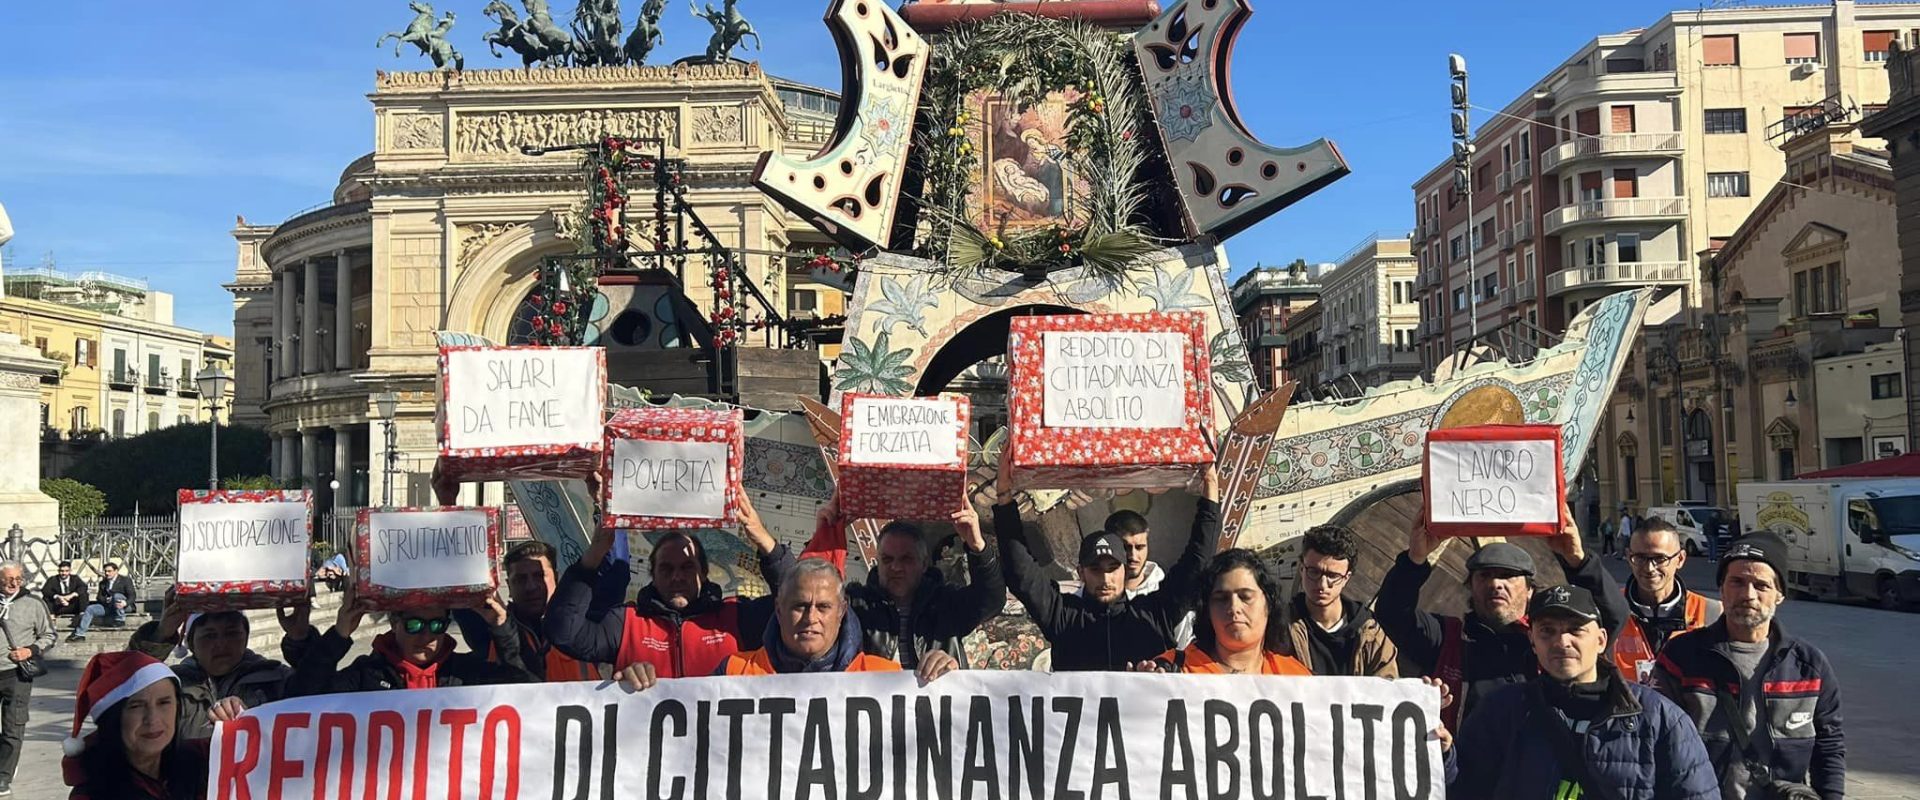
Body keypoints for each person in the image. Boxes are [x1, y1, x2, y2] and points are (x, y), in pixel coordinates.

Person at [1448, 584, 1718, 799]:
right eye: (1547, 631)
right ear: (1532, 641)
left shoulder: (1660, 718)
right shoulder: (1501, 711)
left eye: (1575, 630)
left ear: (1601, 640)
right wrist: (1444, 755)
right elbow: (1460, 787)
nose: (1561, 642)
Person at [1374, 499, 1627, 729]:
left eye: (1507, 576)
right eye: (1485, 576)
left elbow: (1612, 616)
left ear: (1530, 590)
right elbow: (1392, 613)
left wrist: (1577, 561)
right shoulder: (1447, 639)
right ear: (1470, 586)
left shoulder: (1548, 641)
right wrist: (1415, 559)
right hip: (1465, 773)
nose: (1496, 584)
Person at [1653, 533, 1844, 799]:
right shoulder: (1682, 656)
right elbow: (1655, 739)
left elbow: (1829, 745)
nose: (1748, 595)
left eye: (1761, 585)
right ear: (1721, 589)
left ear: (1779, 595)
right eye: (1737, 582)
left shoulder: (1809, 666)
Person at [996, 466, 1219, 671]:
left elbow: (1197, 562)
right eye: (1096, 569)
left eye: (1113, 568)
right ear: (1081, 573)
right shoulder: (1062, 615)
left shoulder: (1153, 614)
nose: (1105, 578)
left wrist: (1210, 484)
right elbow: (1022, 573)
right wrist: (1004, 498)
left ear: (1124, 570)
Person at [545, 493, 792, 678]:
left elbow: (795, 603)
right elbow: (564, 634)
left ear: (704, 573)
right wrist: (594, 554)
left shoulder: (736, 616)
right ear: (652, 573)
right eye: (666, 568)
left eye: (687, 567)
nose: (677, 577)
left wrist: (763, 539)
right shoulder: (627, 623)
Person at [796, 498, 1003, 669]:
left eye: (906, 559)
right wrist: (825, 537)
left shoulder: (945, 604)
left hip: (935, 711)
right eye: (887, 559)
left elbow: (991, 600)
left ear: (924, 564)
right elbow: (803, 598)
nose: (896, 567)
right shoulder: (856, 606)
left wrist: (978, 547)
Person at [61, 651, 247, 800]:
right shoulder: (92, 793)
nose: (153, 719)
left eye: (164, 702)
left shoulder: (199, 757)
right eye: (136, 706)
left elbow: (254, 754)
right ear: (113, 718)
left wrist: (241, 718)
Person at [284, 585, 533, 694]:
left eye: (437, 625)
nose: (427, 635)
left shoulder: (467, 674)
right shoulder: (366, 676)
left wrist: (501, 628)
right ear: (394, 623)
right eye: (414, 625)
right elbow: (301, 697)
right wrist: (339, 635)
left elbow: (527, 691)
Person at [125, 599, 298, 740]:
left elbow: (317, 697)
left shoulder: (277, 679)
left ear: (245, 637)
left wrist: (301, 640)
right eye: (209, 635)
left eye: (231, 633)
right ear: (191, 643)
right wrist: (160, 634)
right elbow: (121, 693)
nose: (221, 644)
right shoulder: (172, 685)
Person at [1131, 549, 1310, 675]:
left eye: (1245, 596)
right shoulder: (1170, 671)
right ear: (1206, 609)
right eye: (1221, 598)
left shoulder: (1296, 679)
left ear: (1268, 604)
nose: (1233, 608)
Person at [453, 541, 599, 682]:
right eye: (521, 579)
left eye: (539, 576)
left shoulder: (586, 622)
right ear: (509, 586)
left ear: (556, 577)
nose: (531, 587)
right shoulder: (489, 630)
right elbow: (455, 583)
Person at [1615, 517, 1721, 684]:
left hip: (1686, 709)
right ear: (1629, 557)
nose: (1649, 568)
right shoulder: (1610, 607)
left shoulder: (1712, 612)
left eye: (1659, 559)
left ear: (1680, 559)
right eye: (1640, 558)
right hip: (1628, 708)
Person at [1286, 525, 1397, 677]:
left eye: (1333, 576)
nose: (1322, 584)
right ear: (1301, 569)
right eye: (1314, 572)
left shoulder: (1371, 636)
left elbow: (1391, 692)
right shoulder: (1280, 626)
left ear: (1346, 578)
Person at [1101, 508, 1195, 649]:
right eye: (1126, 547)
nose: (1133, 556)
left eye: (1139, 547)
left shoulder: (1167, 596)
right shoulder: (1094, 592)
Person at [0, 562, 54, 798]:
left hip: (16, 675)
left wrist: (30, 650)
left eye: (17, 579)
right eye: (6, 579)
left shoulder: (34, 604)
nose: (12, 584)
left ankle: (3, 776)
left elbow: (50, 635)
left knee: (13, 726)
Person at [69, 562, 135, 642]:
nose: (107, 573)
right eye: (105, 571)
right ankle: (80, 634)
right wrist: (106, 600)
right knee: (90, 608)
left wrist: (125, 603)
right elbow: (99, 598)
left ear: (116, 571)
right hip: (108, 606)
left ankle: (120, 619)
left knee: (116, 596)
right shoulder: (103, 583)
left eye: (109, 571)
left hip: (124, 606)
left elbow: (132, 595)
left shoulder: (125, 580)